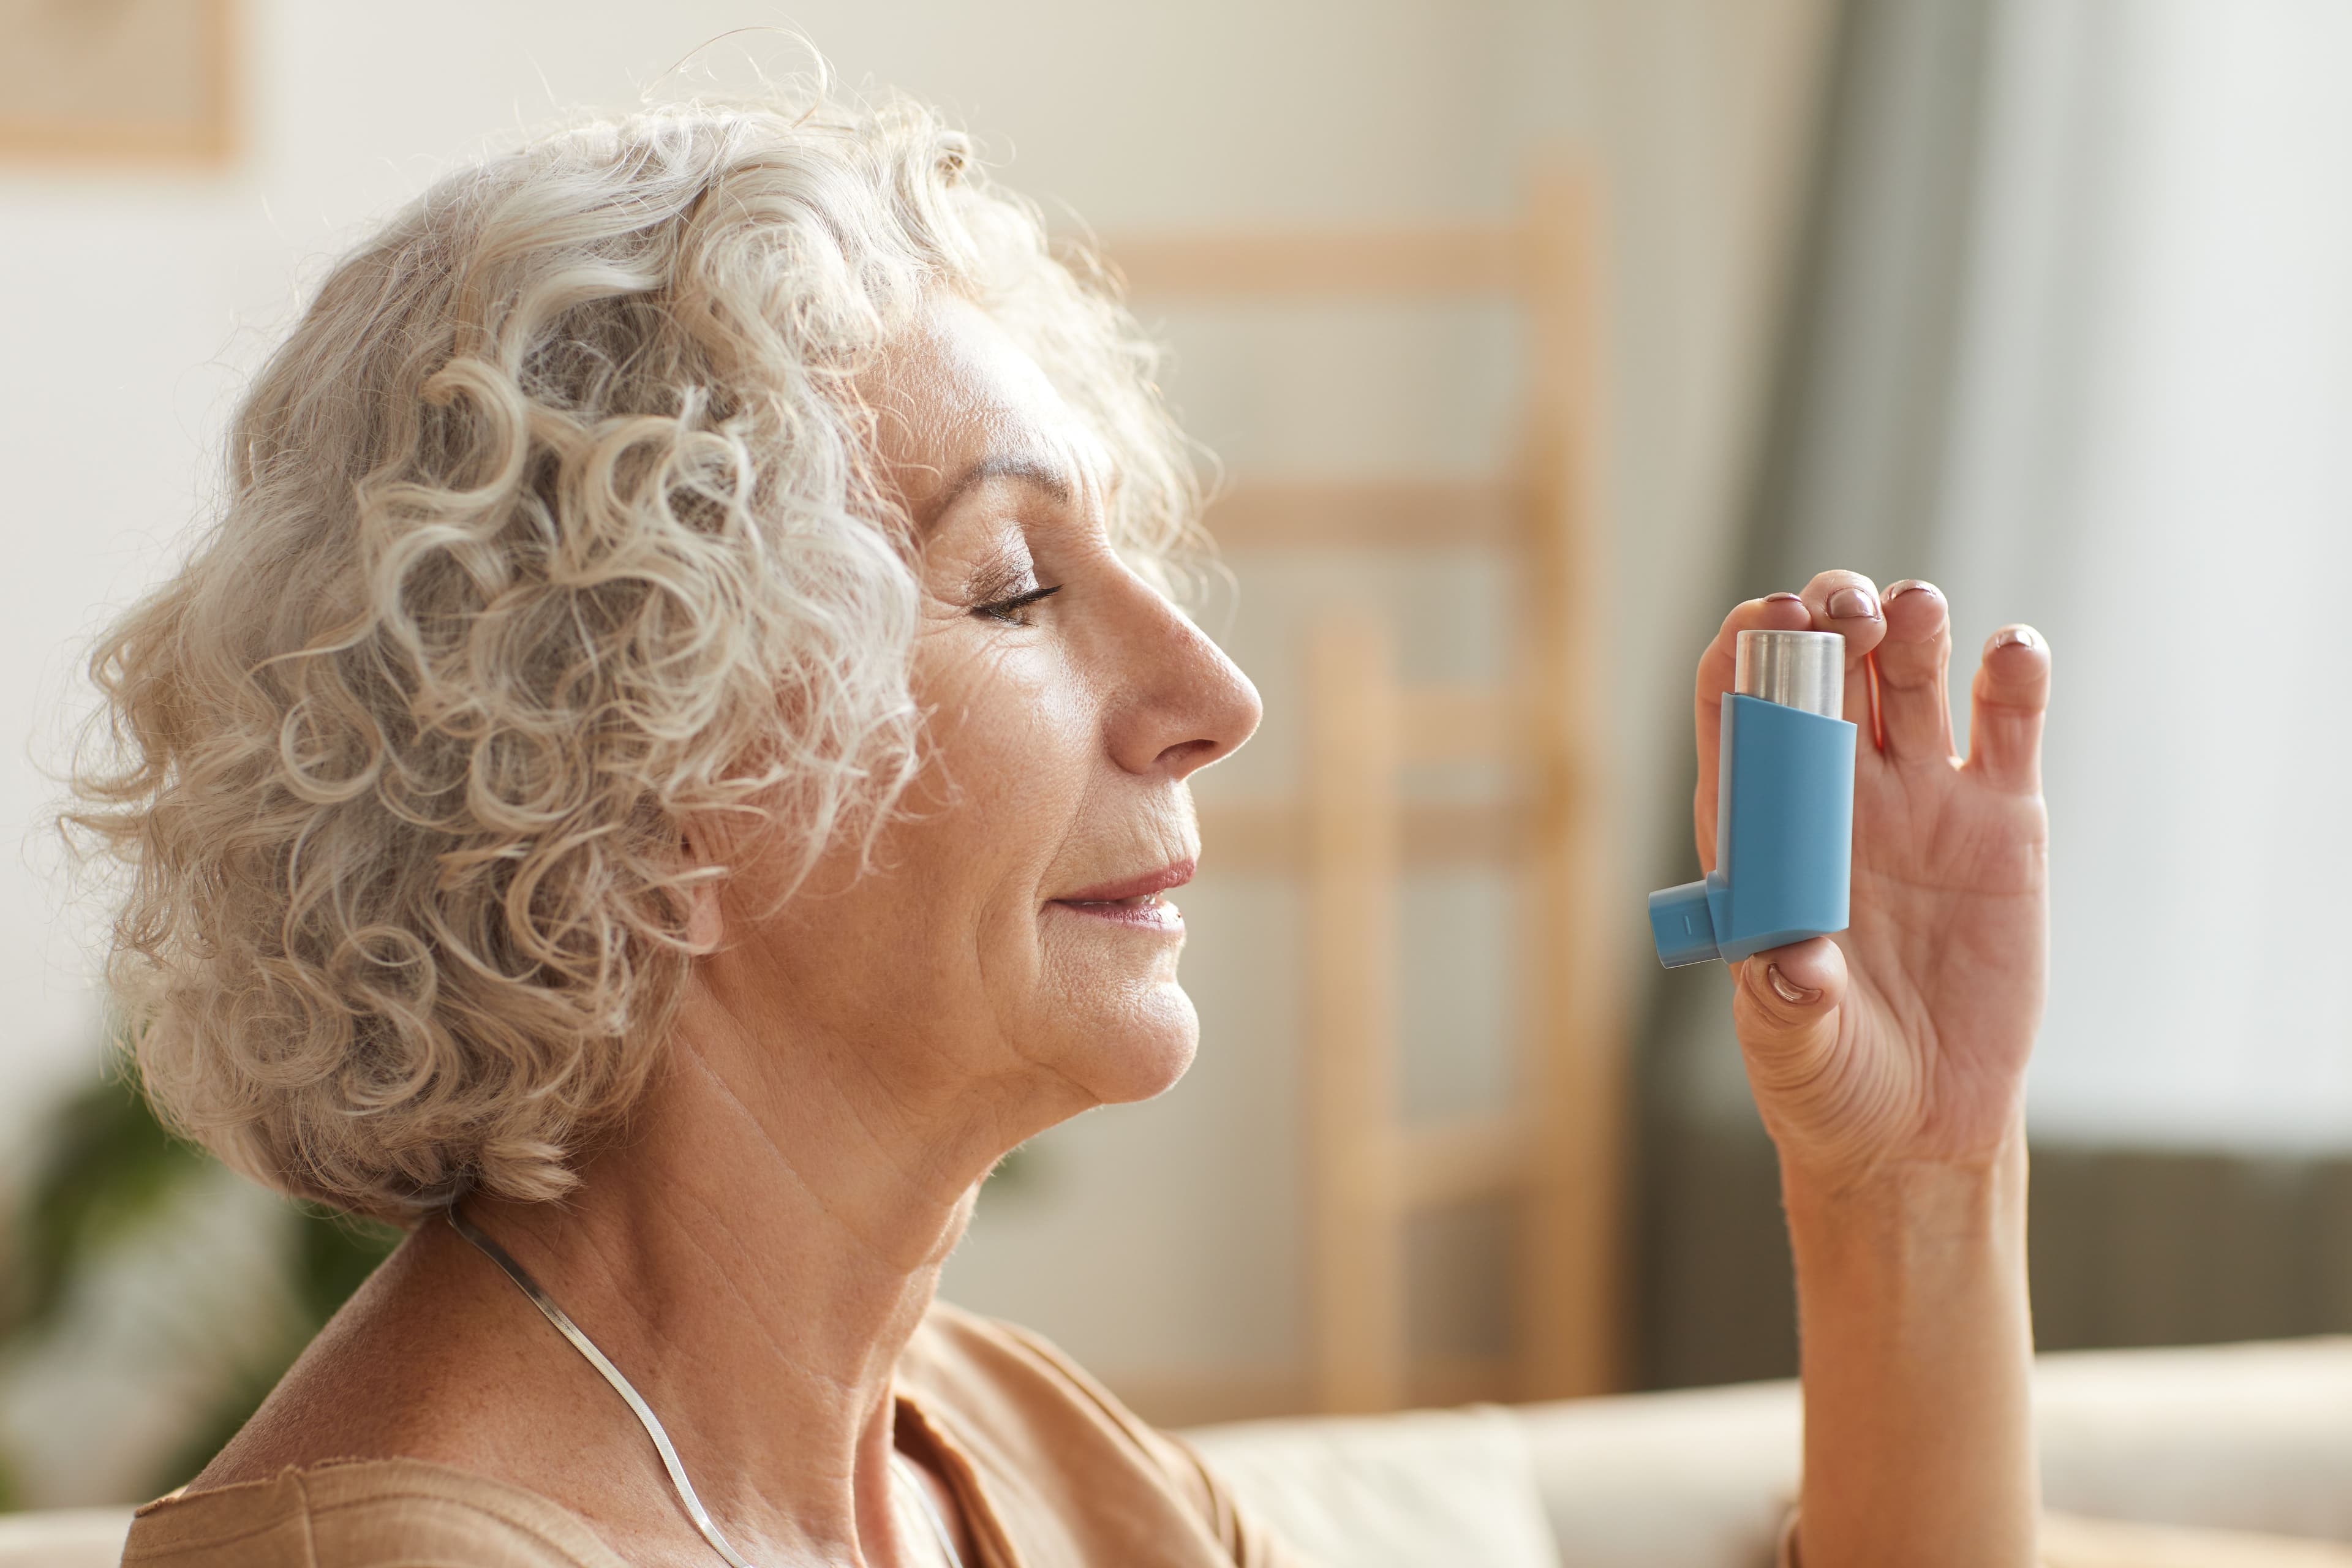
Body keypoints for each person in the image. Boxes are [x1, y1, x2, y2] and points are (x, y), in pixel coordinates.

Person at [80, 86, 2049, 1568]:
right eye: (1015, 590)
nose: (1217, 698)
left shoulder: (1026, 1470)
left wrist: (1911, 1187)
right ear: (633, 760)